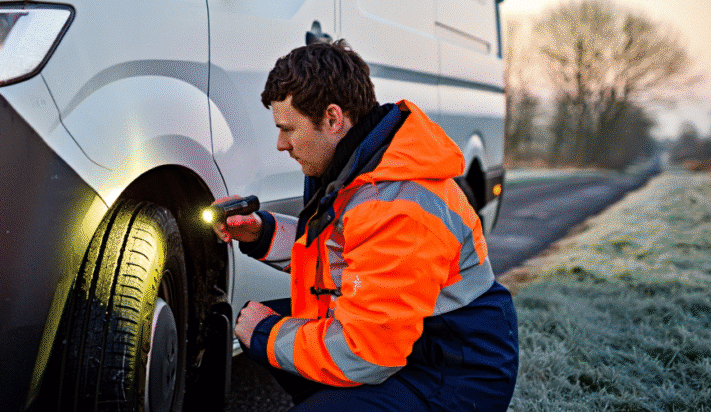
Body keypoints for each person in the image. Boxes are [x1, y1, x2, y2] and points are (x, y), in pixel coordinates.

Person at [213, 40, 518, 411]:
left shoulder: (397, 206)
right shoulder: (361, 167)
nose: (281, 144)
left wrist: (266, 335)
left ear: (332, 119)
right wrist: (260, 232)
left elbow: (367, 353)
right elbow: (343, 254)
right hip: (420, 343)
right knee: (271, 326)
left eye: (288, 129)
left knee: (269, 331)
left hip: (455, 371)